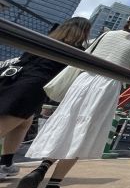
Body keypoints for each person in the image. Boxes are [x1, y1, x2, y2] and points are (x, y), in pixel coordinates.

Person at [15, 10, 130, 188]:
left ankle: (41, 169)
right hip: (106, 87)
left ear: (127, 21)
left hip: (83, 81)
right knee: (82, 133)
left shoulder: (106, 35)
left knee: (65, 124)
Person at [0, 17, 92, 179]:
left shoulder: (45, 40)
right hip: (32, 86)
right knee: (9, 122)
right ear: (84, 32)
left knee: (24, 122)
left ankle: (6, 163)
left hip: (11, 78)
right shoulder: (76, 50)